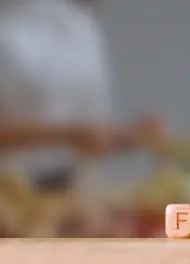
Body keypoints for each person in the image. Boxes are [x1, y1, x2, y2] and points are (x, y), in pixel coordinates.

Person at [0, 0, 163, 237]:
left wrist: (129, 137)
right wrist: (70, 136)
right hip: (12, 204)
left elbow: (88, 135)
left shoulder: (82, 30)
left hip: (70, 204)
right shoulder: (11, 30)